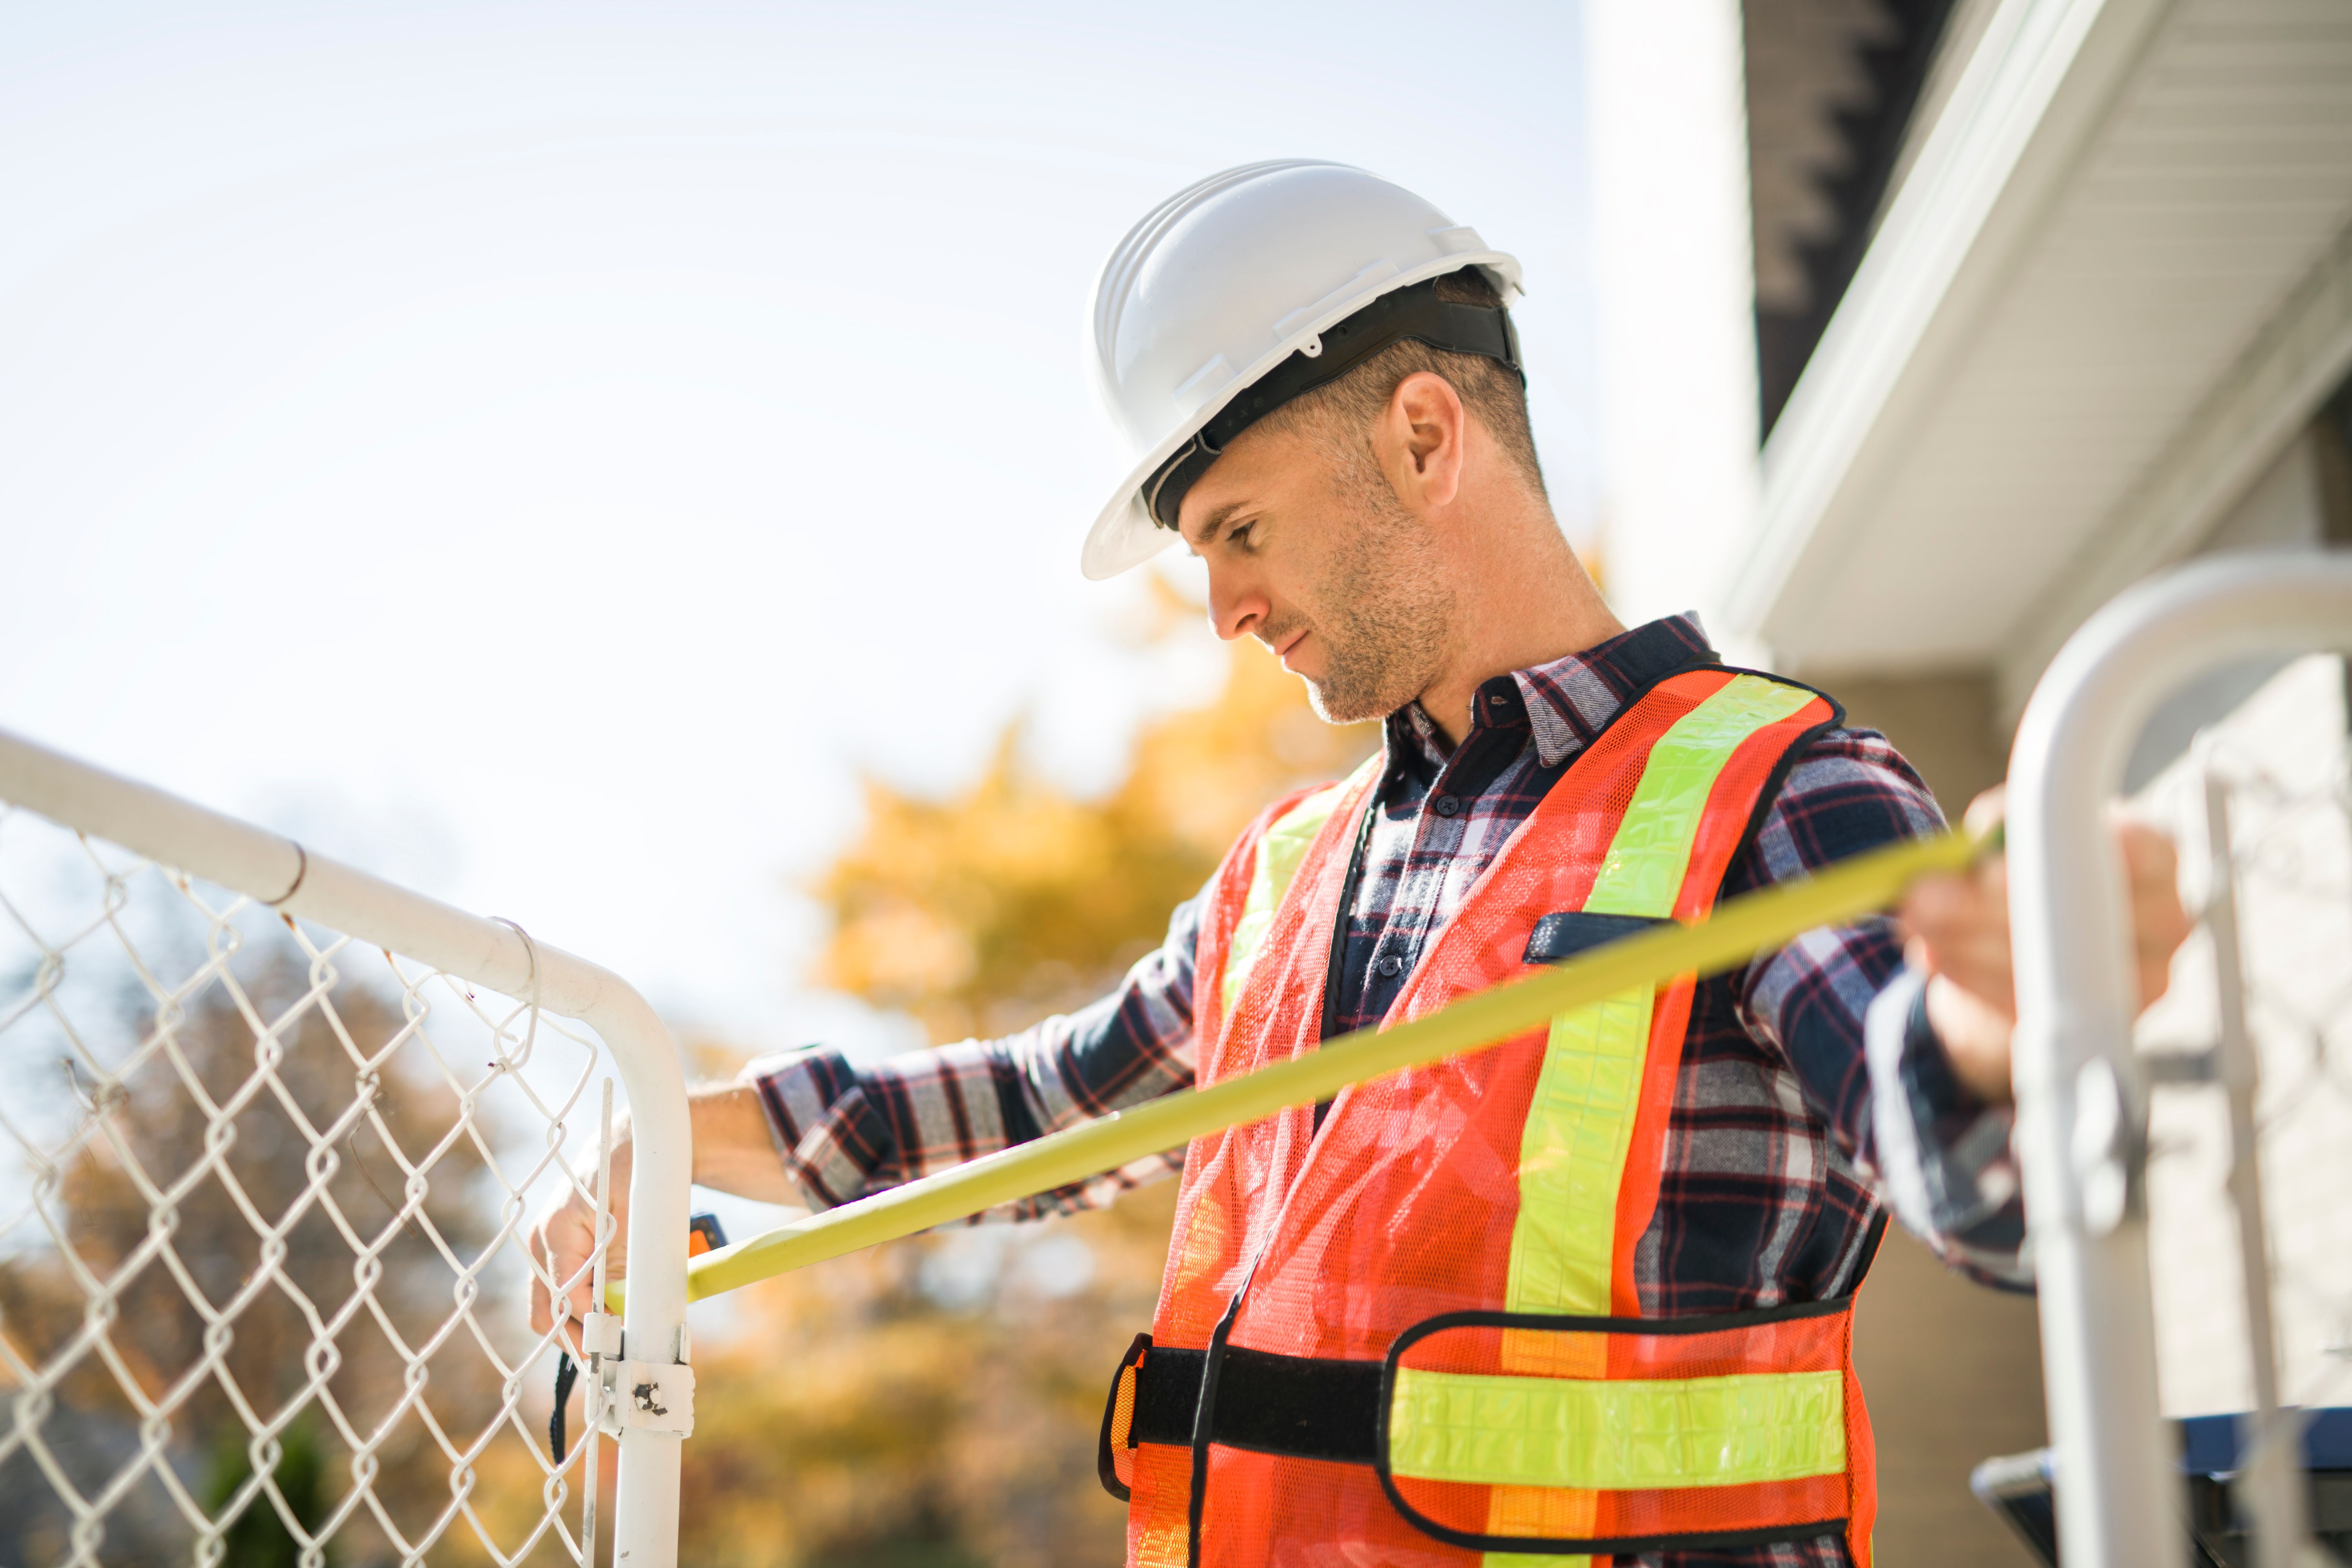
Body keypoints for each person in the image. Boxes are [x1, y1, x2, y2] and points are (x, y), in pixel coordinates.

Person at [529, 162, 2191, 1568]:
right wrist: (664, 1130)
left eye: (1240, 532)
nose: (1224, 610)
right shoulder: (1289, 875)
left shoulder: (1775, 797)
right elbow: (1039, 1110)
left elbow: (2002, 1191)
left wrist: (2005, 1032)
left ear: (1419, 436)